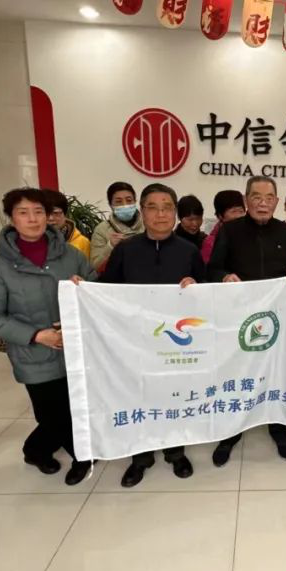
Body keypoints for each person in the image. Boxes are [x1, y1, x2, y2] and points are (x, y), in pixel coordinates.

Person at [0, 188, 97, 486]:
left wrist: (85, 287)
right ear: (11, 218)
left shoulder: (71, 255)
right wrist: (37, 335)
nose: (33, 219)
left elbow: (96, 289)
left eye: (39, 212)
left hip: (75, 348)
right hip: (34, 352)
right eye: (23, 212)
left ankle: (42, 450)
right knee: (52, 414)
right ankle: (71, 456)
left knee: (77, 406)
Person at [101, 183, 205, 486]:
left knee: (175, 395)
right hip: (136, 342)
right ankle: (141, 457)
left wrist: (196, 286)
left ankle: (175, 452)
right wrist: (81, 290)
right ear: (142, 212)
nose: (161, 214)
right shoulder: (125, 250)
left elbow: (207, 291)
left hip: (176, 343)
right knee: (139, 396)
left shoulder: (189, 251)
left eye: (167, 207)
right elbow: (106, 291)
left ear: (175, 212)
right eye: (152, 207)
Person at [208, 176, 286, 466]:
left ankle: (278, 427)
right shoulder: (230, 230)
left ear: (277, 201)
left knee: (277, 371)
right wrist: (224, 276)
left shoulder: (285, 232)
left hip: (276, 317)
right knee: (237, 373)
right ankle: (231, 432)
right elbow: (213, 268)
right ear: (246, 200)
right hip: (238, 318)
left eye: (269, 198)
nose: (263, 203)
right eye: (257, 197)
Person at [89, 182, 144, 269]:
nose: (125, 205)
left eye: (129, 200)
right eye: (118, 201)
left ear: (135, 201)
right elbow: (94, 267)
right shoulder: (101, 230)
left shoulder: (148, 225)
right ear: (110, 205)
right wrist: (110, 246)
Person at [201, 190, 246, 264]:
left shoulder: (250, 237)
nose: (238, 216)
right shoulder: (211, 243)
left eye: (241, 211)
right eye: (234, 211)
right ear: (220, 216)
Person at [45, 190, 91, 261]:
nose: (51, 218)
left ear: (65, 215)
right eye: (46, 213)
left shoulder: (82, 242)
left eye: (56, 213)